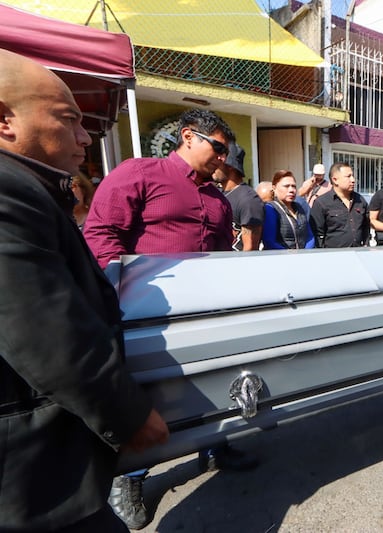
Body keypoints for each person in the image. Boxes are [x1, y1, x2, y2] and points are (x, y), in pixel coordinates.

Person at [0, 49, 168, 532]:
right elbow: (43, 326)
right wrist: (127, 414)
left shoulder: (33, 188)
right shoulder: (10, 191)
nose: (83, 136)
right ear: (4, 119)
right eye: (67, 119)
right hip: (32, 478)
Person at [83, 108, 257, 530]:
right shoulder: (138, 174)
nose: (222, 158)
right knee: (151, 394)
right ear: (187, 136)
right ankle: (130, 478)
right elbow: (101, 237)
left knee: (216, 376)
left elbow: (219, 258)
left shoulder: (218, 200)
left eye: (227, 152)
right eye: (217, 147)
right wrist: (124, 297)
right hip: (145, 316)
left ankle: (215, 444)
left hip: (202, 311)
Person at [212, 143, 264, 251]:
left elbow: (250, 249)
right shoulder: (219, 194)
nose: (214, 167)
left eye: (218, 163)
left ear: (230, 166)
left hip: (235, 265)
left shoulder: (248, 200)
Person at [309, 162, 369, 248]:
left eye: (352, 176)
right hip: (333, 257)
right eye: (348, 176)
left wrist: (366, 245)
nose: (353, 180)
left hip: (358, 254)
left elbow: (365, 227)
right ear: (335, 180)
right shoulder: (321, 203)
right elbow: (317, 234)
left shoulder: (360, 200)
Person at [263, 170, 314, 249]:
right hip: (281, 258)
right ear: (274, 188)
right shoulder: (271, 209)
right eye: (286, 186)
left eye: (293, 186)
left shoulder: (299, 207)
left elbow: (310, 236)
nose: (291, 190)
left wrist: (305, 253)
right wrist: (290, 256)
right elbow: (269, 242)